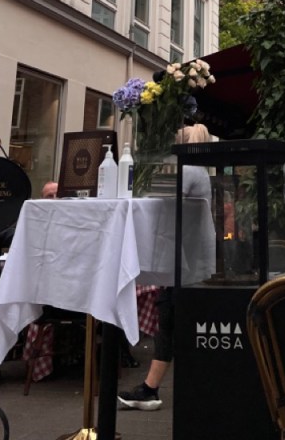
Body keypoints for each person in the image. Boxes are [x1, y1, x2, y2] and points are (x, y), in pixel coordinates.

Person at [118, 123, 214, 412]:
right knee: (170, 320)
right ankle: (152, 388)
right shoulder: (199, 171)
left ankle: (151, 389)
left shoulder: (187, 171)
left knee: (169, 320)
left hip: (183, 260)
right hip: (187, 257)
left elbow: (157, 202)